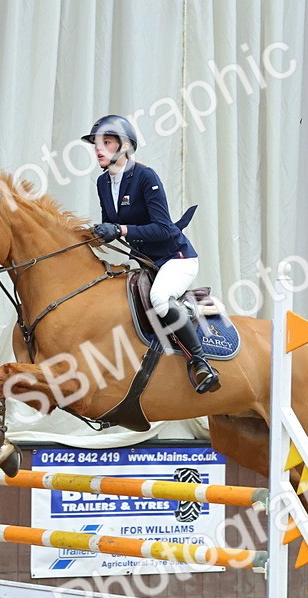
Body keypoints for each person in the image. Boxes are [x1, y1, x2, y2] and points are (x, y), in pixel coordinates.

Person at [82, 115, 220, 394]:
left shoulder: (145, 177)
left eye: (106, 142)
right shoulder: (102, 183)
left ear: (124, 146)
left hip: (176, 258)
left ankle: (200, 362)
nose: (98, 149)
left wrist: (120, 229)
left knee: (159, 298)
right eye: (96, 144)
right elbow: (111, 225)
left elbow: (162, 229)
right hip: (145, 262)